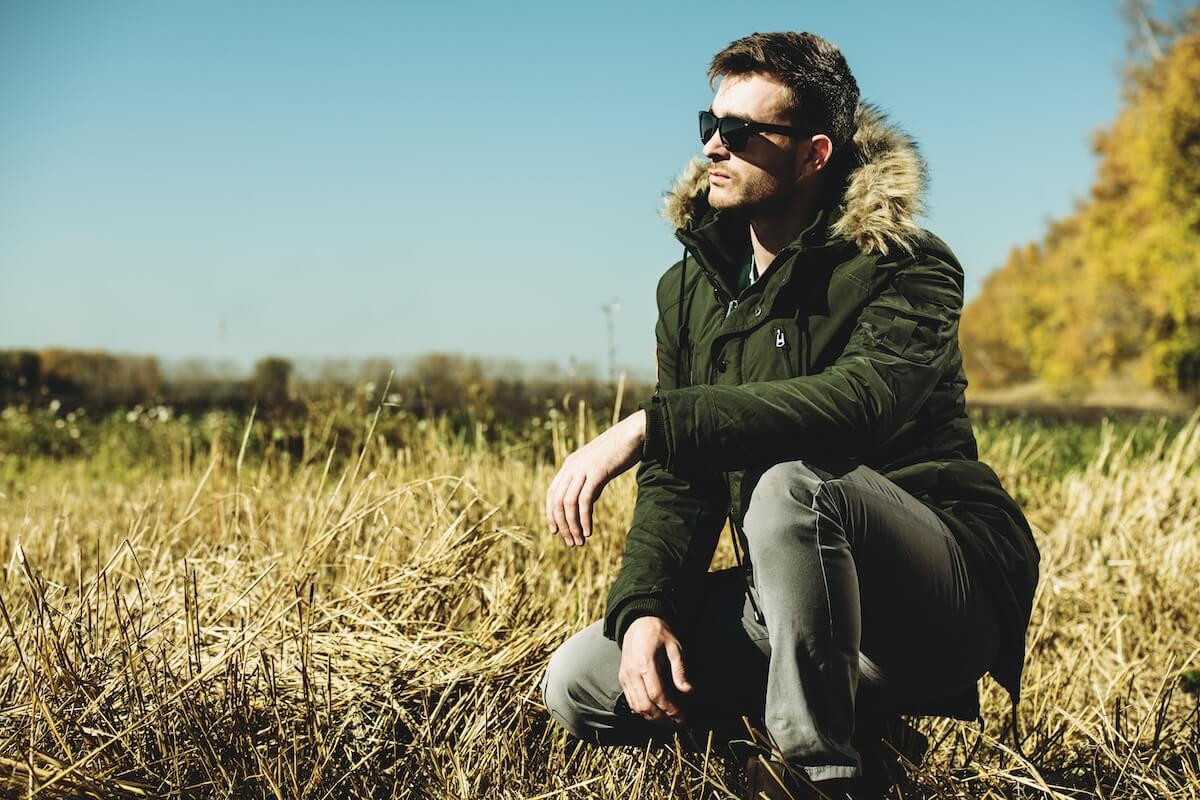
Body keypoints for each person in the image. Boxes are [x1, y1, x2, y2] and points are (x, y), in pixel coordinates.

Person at [540, 31, 1039, 800]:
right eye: (707, 124)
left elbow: (857, 403)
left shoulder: (905, 262)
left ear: (813, 156)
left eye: (741, 133)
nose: (714, 145)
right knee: (581, 682)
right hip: (799, 594)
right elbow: (683, 484)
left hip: (940, 589)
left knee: (790, 487)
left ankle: (817, 774)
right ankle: (867, 741)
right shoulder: (691, 289)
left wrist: (650, 424)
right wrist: (646, 609)